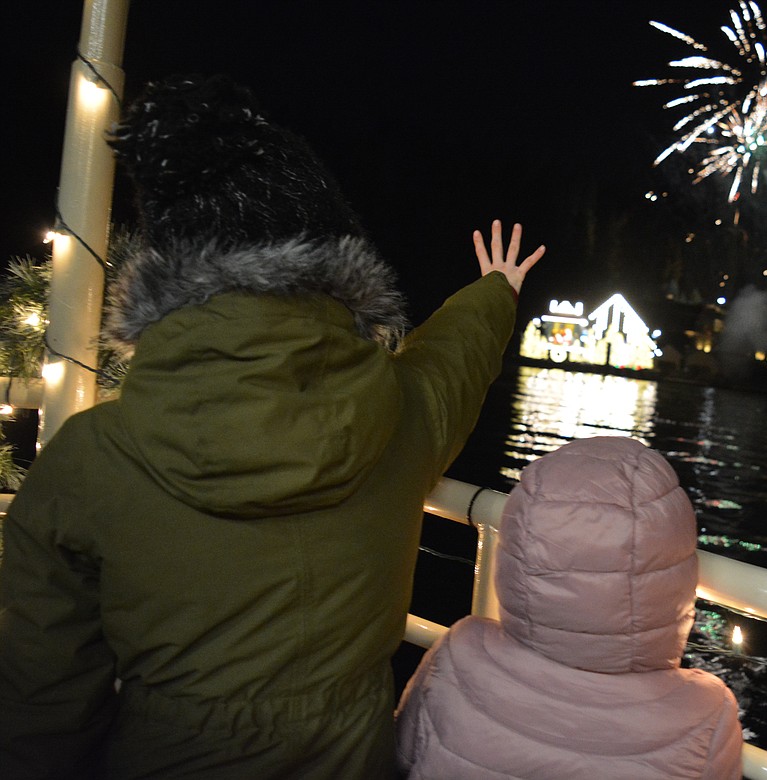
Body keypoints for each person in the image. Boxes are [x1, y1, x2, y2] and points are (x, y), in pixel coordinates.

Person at [0, 73, 543, 778]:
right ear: (332, 269)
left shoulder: (89, 459)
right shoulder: (398, 415)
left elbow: (42, 694)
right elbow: (451, 369)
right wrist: (494, 295)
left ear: (169, 278)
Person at [395, 436, 744, 779]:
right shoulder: (706, 716)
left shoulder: (460, 654)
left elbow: (402, 754)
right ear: (673, 573)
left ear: (517, 554)